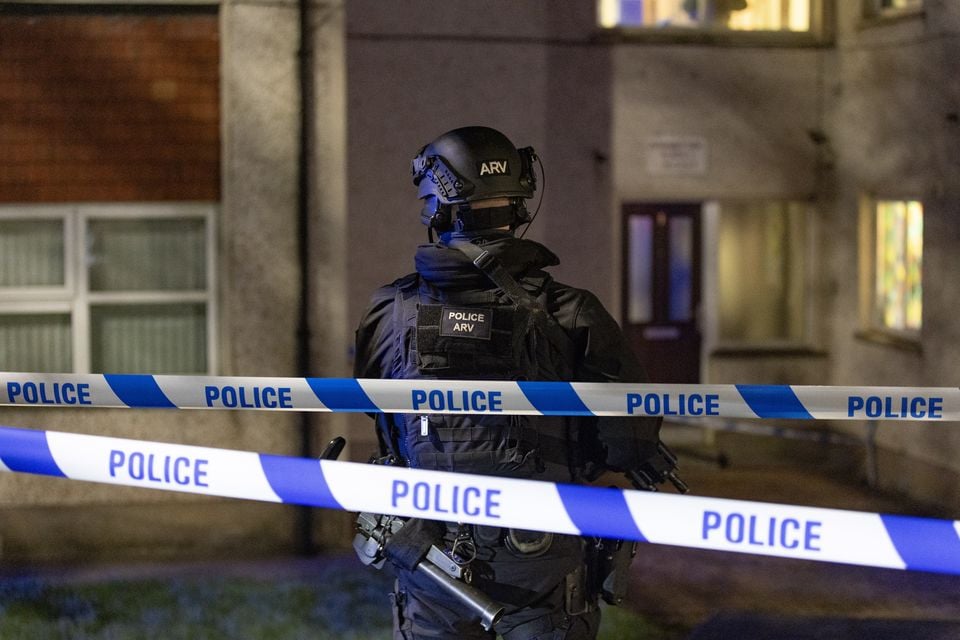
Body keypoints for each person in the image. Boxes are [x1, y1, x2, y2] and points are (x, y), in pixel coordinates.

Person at [353, 126, 682, 640]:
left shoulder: (390, 311)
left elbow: (381, 415)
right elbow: (627, 442)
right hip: (541, 559)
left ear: (436, 208)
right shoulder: (571, 312)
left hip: (428, 554)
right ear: (518, 207)